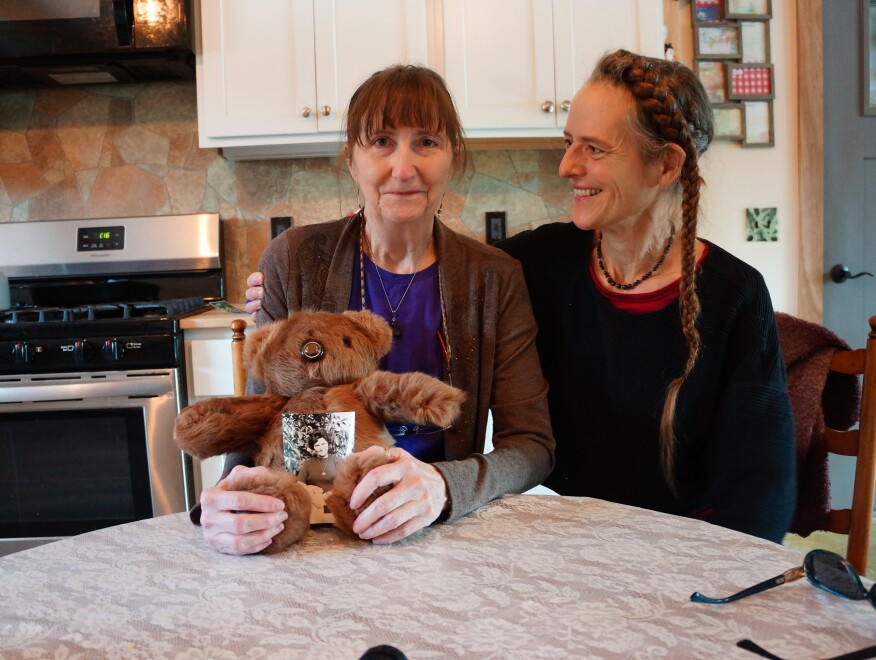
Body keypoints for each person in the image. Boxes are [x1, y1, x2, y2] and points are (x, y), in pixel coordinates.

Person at [248, 50, 796, 544]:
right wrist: (283, 280)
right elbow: (258, 426)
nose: (567, 167)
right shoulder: (539, 262)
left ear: (668, 165)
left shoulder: (729, 293)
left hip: (682, 543)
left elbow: (761, 487)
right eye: (568, 144)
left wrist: (442, 485)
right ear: (351, 157)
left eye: (594, 149)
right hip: (545, 529)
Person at [200, 64, 555, 555]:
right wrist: (230, 500)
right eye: (382, 141)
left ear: (453, 156)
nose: (404, 168)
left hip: (436, 533)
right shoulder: (294, 259)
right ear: (352, 160)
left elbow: (532, 446)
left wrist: (444, 486)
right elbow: (260, 415)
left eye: (427, 142)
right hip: (316, 535)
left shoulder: (493, 278)